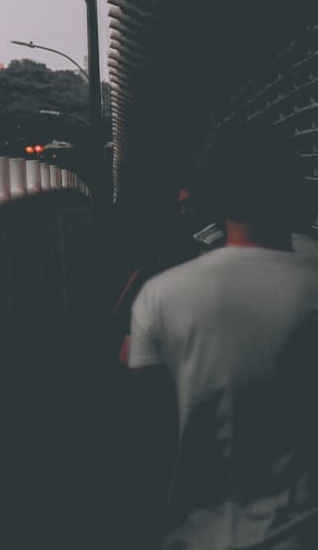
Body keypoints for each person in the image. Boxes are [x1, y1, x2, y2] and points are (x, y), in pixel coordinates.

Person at [126, 126, 318, 549]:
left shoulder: (162, 294)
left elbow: (145, 431)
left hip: (194, 535)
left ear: (216, 198)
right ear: (293, 188)